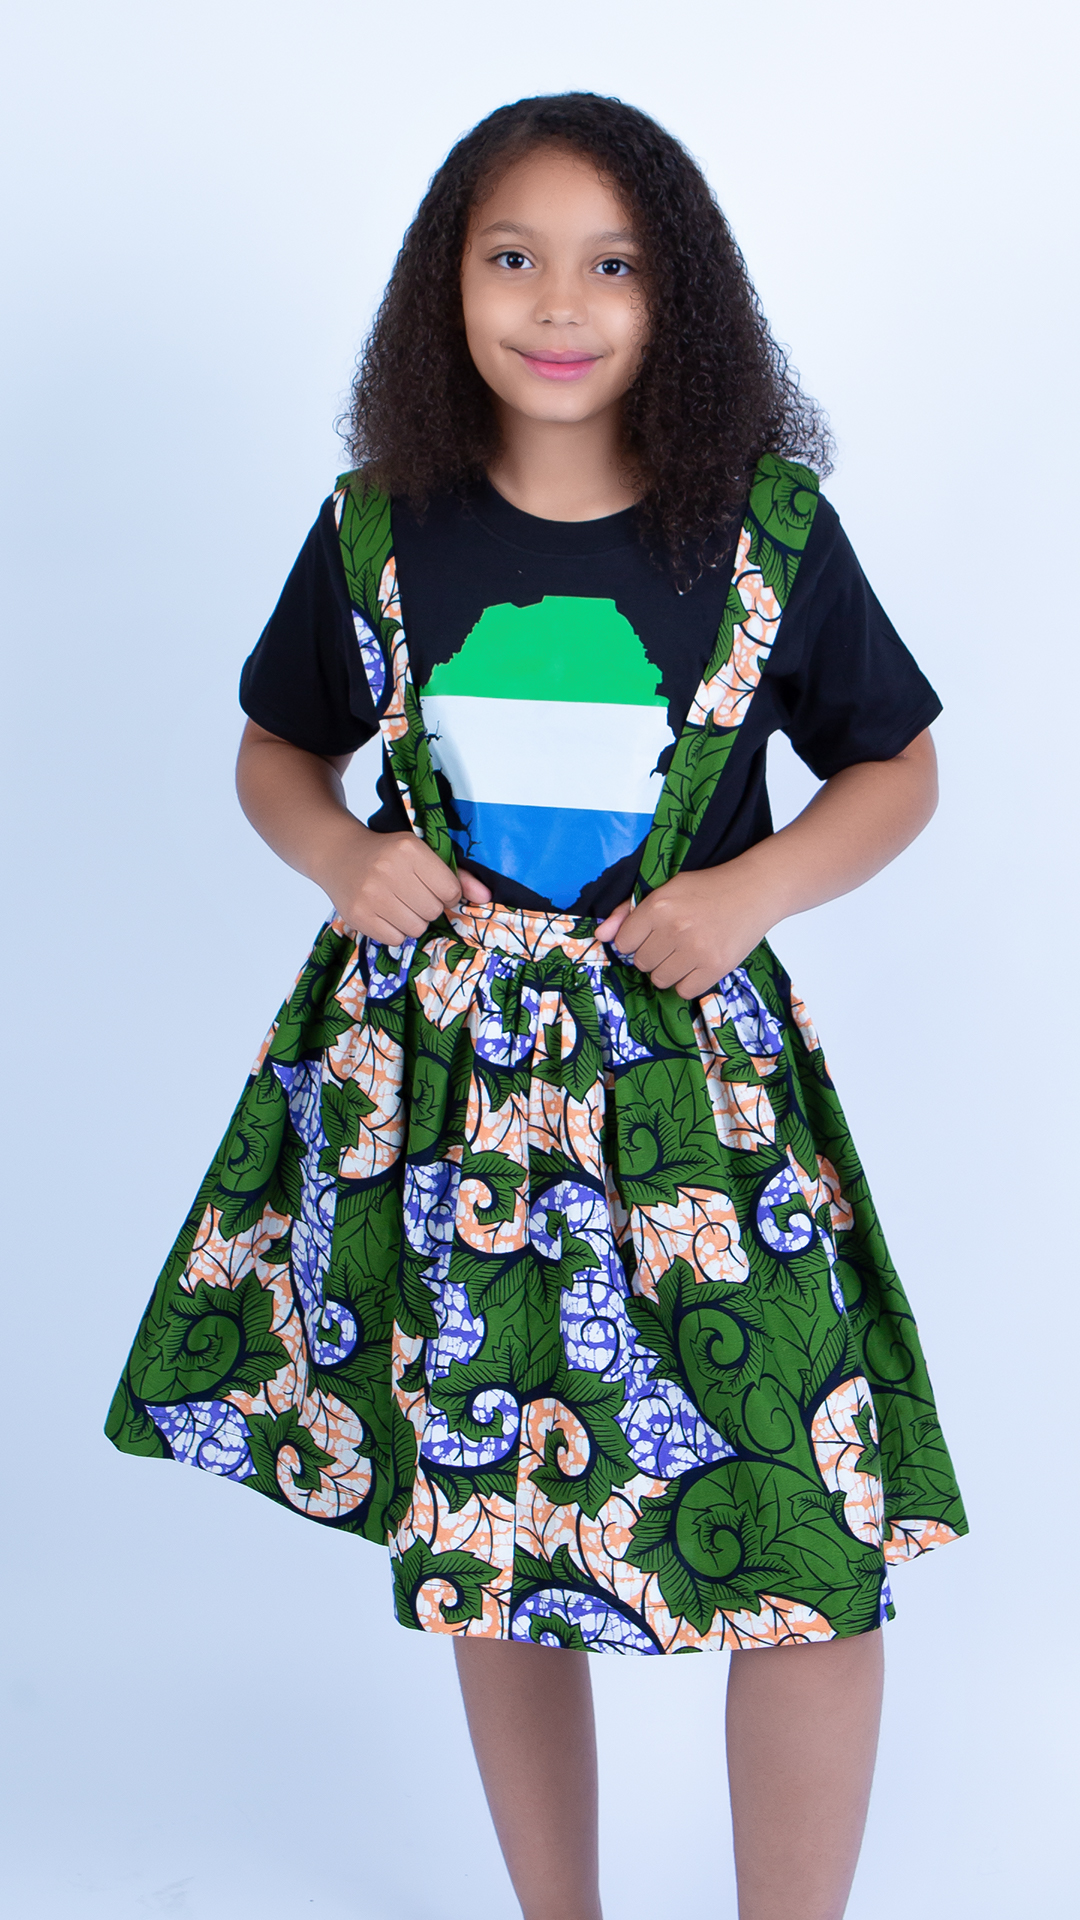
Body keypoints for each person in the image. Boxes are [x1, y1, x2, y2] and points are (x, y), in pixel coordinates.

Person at [107, 93, 967, 1920]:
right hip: (447, 1104)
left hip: (694, 1103)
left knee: (810, 1540)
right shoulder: (378, 535)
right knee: (490, 1531)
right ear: (449, 285)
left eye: (612, 265)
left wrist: (753, 890)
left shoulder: (767, 535)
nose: (559, 303)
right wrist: (339, 855)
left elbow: (897, 767)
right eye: (513, 258)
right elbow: (276, 749)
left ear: (682, 299)